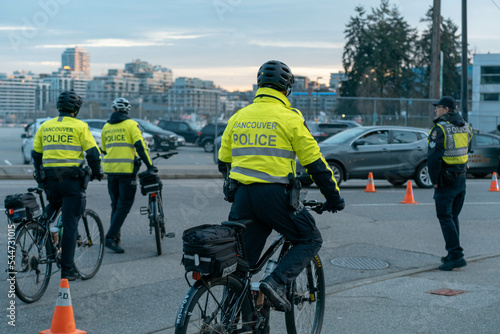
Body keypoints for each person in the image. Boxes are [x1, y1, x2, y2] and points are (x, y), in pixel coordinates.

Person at [218, 60, 345, 312]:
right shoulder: (291, 118)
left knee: (240, 266)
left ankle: (227, 317)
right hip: (275, 197)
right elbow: (316, 165)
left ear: (260, 86)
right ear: (286, 89)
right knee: (309, 238)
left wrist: (232, 184)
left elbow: (223, 161)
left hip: (243, 197)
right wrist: (334, 198)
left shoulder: (238, 117)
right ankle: (275, 282)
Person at [32, 90, 103, 281]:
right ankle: (67, 270)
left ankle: (39, 235)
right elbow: (93, 153)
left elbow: (36, 154)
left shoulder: (46, 125)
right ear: (76, 109)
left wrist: (40, 177)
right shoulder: (80, 126)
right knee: (71, 222)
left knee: (53, 205)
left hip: (50, 180)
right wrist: (97, 172)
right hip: (71, 182)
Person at [101, 97, 155, 253]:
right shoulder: (131, 125)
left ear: (114, 110)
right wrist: (150, 165)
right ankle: (110, 238)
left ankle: (115, 238)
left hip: (111, 170)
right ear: (127, 111)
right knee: (124, 206)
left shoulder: (106, 127)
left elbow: (104, 149)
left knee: (115, 205)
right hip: (126, 171)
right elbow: (140, 146)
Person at [427, 96, 472, 271]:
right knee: (452, 217)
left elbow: (433, 158)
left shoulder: (440, 129)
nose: (435, 110)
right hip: (461, 178)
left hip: (446, 180)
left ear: (446, 110)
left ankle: (456, 255)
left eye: (438, 107)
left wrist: (435, 181)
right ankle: (453, 254)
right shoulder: (466, 127)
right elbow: (469, 148)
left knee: (445, 217)